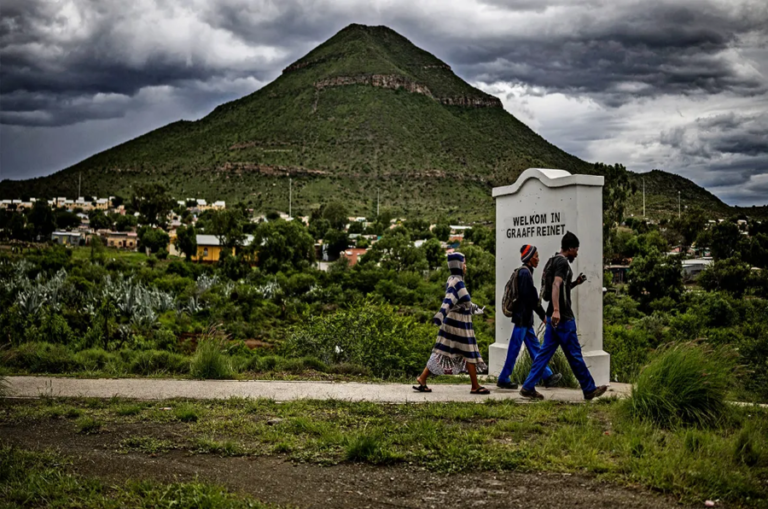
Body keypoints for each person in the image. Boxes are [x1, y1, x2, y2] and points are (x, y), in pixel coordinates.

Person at [520, 232, 608, 400]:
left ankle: (528, 386)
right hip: (563, 319)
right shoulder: (562, 263)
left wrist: (575, 283)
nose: (577, 253)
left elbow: (562, 288)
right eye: (576, 249)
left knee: (543, 354)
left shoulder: (553, 260)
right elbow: (556, 284)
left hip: (553, 320)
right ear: (570, 248)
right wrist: (557, 311)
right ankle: (589, 389)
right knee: (574, 354)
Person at [414, 252, 490, 394]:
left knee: (443, 351)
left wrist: (476, 309)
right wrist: (440, 314)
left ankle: (422, 378)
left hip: (459, 322)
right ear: (459, 266)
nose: (466, 267)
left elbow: (462, 301)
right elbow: (448, 300)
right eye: (464, 263)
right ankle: (475, 386)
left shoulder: (455, 280)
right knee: (470, 351)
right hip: (457, 323)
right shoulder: (456, 281)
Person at [496, 244, 563, 390]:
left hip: (524, 319)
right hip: (522, 319)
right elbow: (531, 299)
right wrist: (544, 316)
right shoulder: (525, 274)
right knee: (516, 348)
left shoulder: (525, 272)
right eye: (536, 256)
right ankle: (503, 378)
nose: (538, 259)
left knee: (535, 349)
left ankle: (547, 376)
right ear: (530, 258)